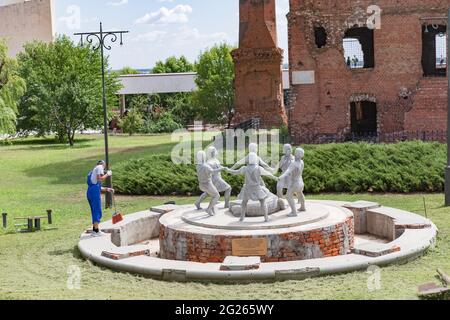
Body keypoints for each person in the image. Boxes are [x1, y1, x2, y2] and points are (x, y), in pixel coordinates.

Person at [226, 153, 278, 222]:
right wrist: (275, 178)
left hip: (248, 188)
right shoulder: (259, 168)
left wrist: (228, 170)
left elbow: (235, 172)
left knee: (244, 203)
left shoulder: (245, 168)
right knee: (263, 202)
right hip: (257, 188)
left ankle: (242, 217)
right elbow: (268, 174)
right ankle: (266, 218)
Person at [86, 160, 114, 237]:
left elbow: (96, 185)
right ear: (103, 165)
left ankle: (96, 229)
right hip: (94, 192)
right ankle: (95, 231)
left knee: (94, 210)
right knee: (97, 210)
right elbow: (100, 178)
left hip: (90, 191)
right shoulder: (99, 167)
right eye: (104, 168)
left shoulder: (92, 172)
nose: (103, 170)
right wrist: (108, 174)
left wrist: (107, 189)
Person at [195, 151, 225, 216]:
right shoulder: (205, 166)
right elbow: (213, 172)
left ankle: (197, 203)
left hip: (201, 184)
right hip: (207, 184)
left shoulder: (198, 165)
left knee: (208, 193)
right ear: (204, 157)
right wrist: (221, 169)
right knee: (217, 196)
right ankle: (209, 209)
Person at [279, 148, 306, 217]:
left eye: (296, 152)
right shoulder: (302, 162)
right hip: (301, 182)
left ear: (297, 154)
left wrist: (280, 177)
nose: (294, 153)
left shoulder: (294, 163)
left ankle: (294, 212)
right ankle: (303, 207)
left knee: (288, 196)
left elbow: (287, 172)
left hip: (295, 183)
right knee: (299, 193)